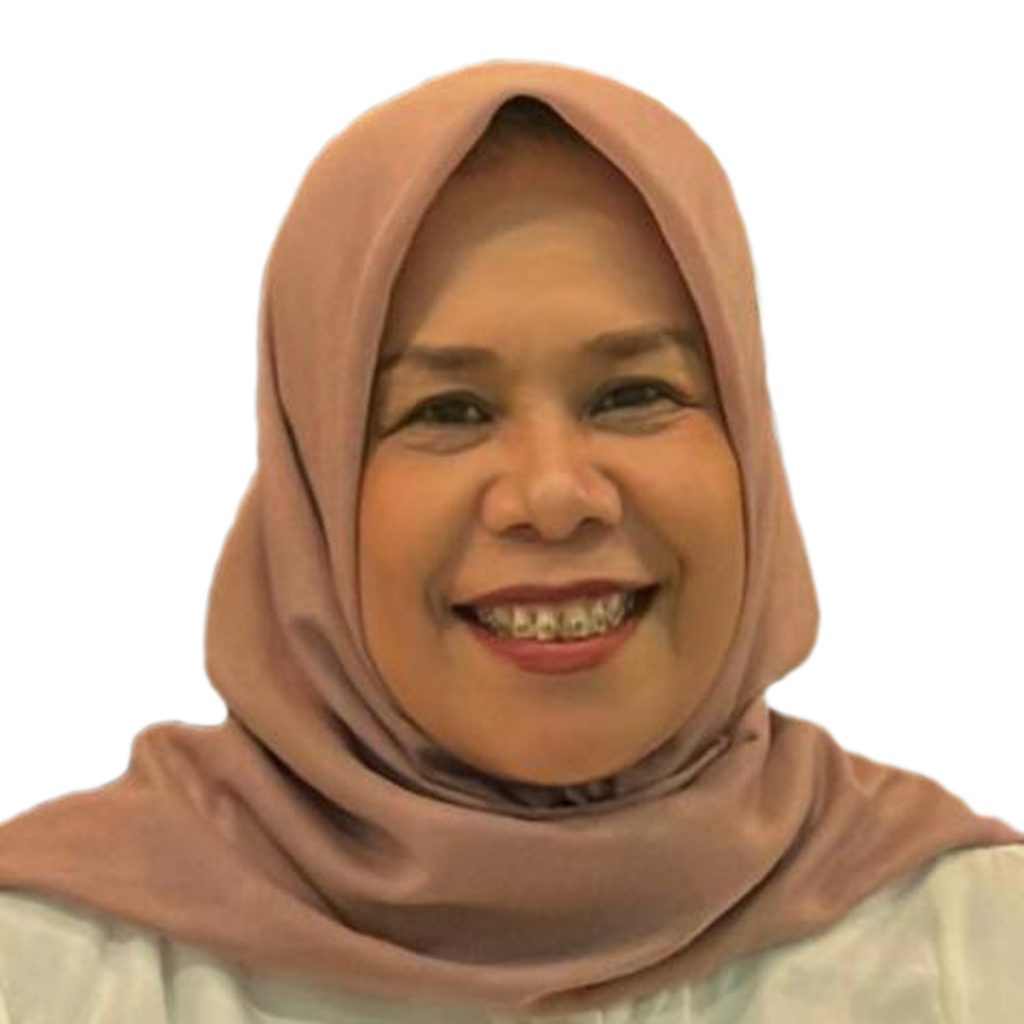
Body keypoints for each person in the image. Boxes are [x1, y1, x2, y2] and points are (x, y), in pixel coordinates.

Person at [1, 59, 1022, 1023]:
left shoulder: (966, 940)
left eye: (634, 393)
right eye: (447, 410)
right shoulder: (57, 963)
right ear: (311, 488)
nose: (553, 496)